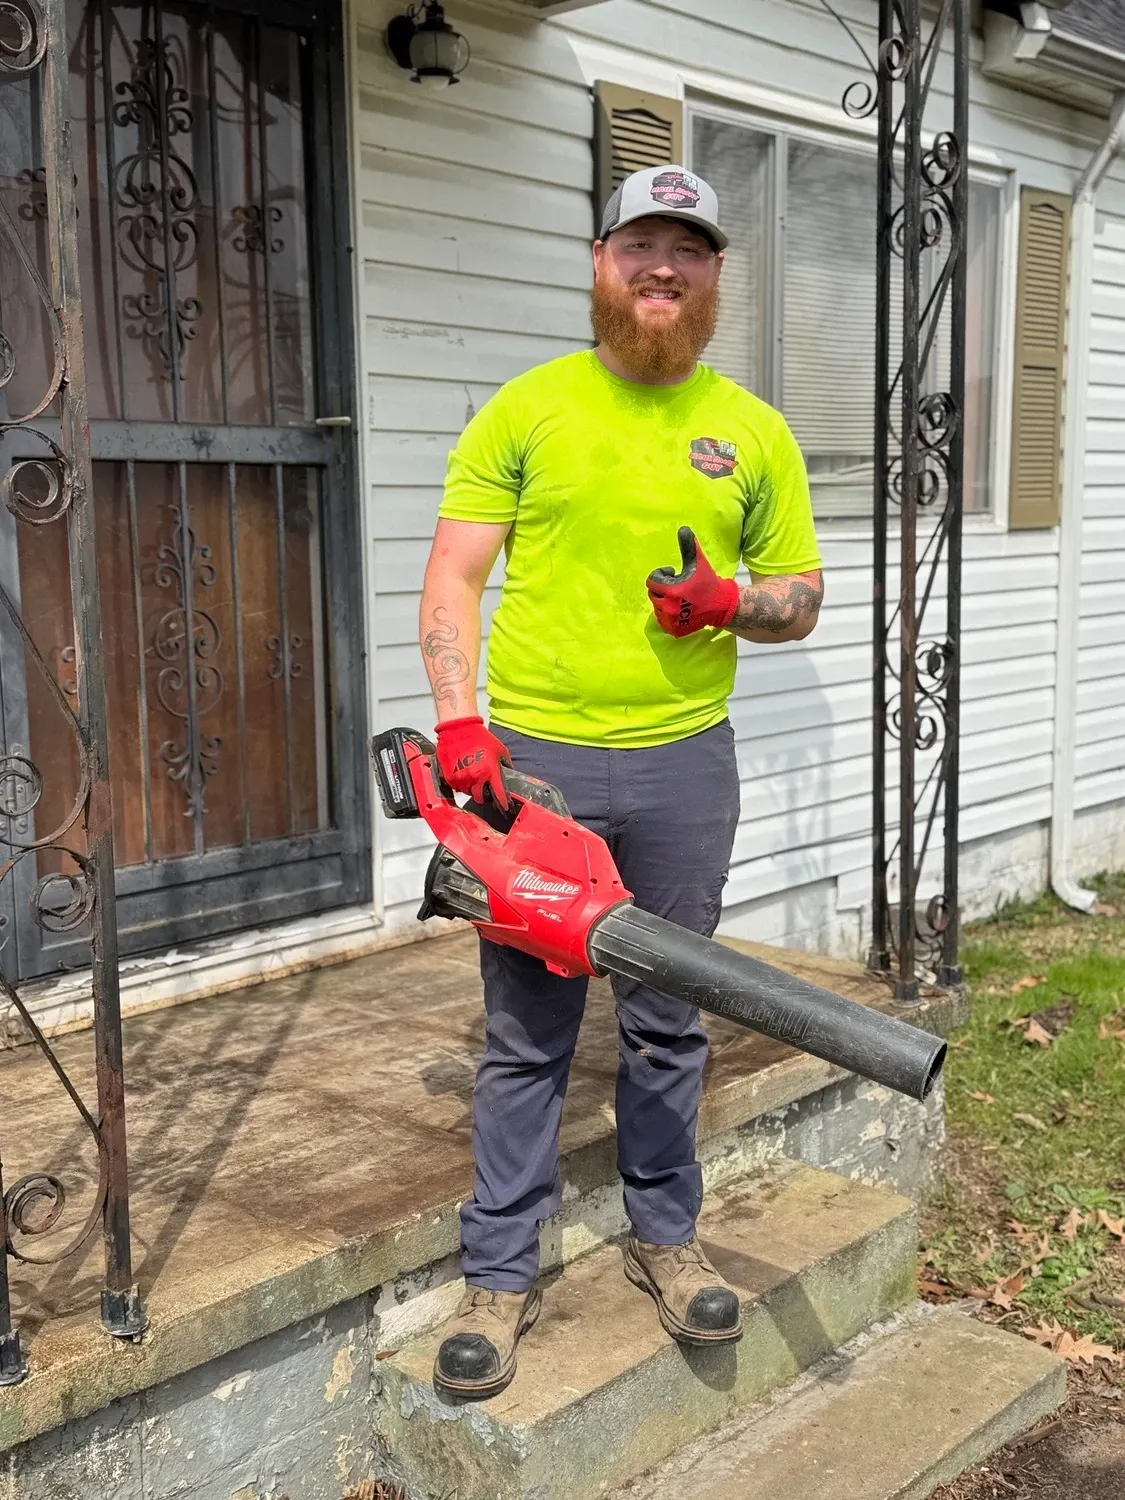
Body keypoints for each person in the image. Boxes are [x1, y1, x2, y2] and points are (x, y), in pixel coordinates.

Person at [417, 164, 823, 1400]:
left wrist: (732, 603)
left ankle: (665, 1234)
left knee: (665, 1016)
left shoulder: (750, 430)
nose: (663, 265)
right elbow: (454, 574)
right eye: (641, 242)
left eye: (689, 249)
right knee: (527, 1030)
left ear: (713, 278)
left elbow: (800, 599)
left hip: (685, 768)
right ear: (599, 262)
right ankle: (499, 1272)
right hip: (533, 771)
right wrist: (461, 725)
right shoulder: (529, 410)